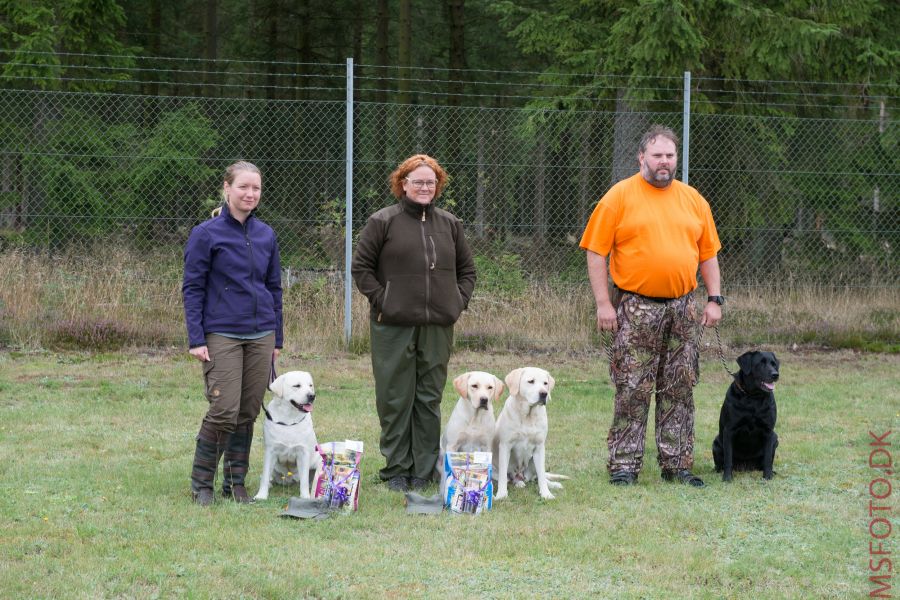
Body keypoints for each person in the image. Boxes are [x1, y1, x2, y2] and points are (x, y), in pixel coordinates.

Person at [580, 125, 723, 488]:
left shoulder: (693, 200)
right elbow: (596, 252)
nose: (664, 162)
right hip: (636, 308)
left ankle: (677, 464)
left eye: (670, 156)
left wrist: (714, 298)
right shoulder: (619, 196)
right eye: (657, 155)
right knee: (632, 386)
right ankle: (624, 466)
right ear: (641, 157)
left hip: (682, 308)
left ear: (677, 159)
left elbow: (708, 255)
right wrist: (602, 304)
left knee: (680, 387)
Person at [351, 154, 477, 493]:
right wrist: (385, 302)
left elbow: (467, 271)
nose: (424, 187)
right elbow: (361, 268)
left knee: (428, 397)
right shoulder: (383, 221)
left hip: (437, 325)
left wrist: (455, 303)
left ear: (437, 187)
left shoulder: (450, 224)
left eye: (430, 182)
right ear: (402, 184)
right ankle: (396, 468)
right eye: (417, 181)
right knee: (394, 397)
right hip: (392, 325)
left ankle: (423, 469)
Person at [183, 160, 283, 506]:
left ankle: (235, 483)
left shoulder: (266, 234)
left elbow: (274, 288)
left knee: (247, 410)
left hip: (261, 334)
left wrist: (277, 340)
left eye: (255, 188)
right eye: (243, 187)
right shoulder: (206, 234)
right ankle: (202, 485)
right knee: (224, 408)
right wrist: (196, 338)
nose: (250, 194)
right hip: (221, 333)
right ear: (226, 188)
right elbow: (193, 287)